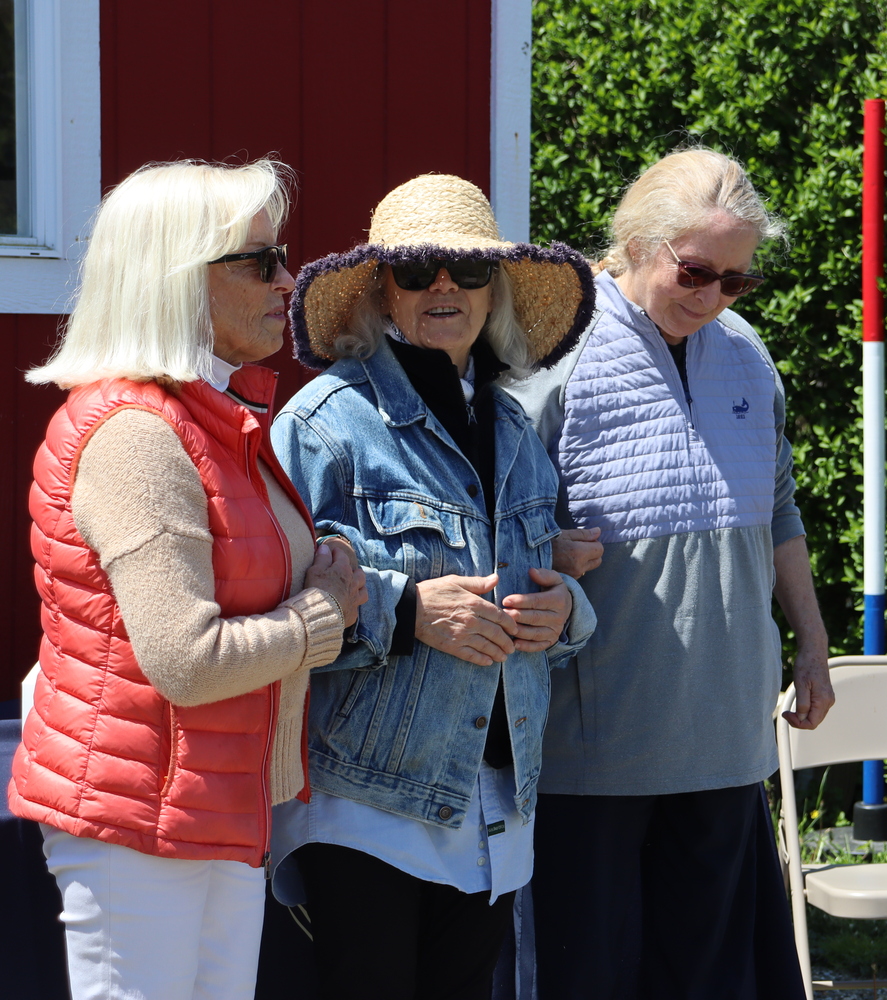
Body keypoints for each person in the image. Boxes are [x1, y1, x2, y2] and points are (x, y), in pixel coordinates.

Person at [7, 159, 366, 1000]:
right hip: (135, 819)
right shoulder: (137, 433)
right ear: (174, 279)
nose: (288, 280)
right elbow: (187, 660)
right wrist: (324, 613)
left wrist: (323, 575)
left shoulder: (214, 420)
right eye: (258, 260)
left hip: (209, 804)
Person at [511, 147, 833, 1000]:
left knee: (713, 977)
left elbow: (781, 511)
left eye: (737, 281)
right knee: (591, 975)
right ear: (637, 242)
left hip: (727, 735)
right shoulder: (554, 359)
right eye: (697, 271)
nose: (713, 297)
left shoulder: (748, 357)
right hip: (596, 745)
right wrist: (543, 547)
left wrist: (812, 642)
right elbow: (489, 521)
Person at [271, 173, 598, 1000]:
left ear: (497, 291)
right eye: (417, 271)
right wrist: (409, 611)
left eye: (467, 271)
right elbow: (274, 603)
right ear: (383, 291)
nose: (443, 287)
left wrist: (567, 611)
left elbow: (541, 585)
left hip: (494, 803)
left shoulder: (517, 430)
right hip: (368, 803)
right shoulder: (324, 425)